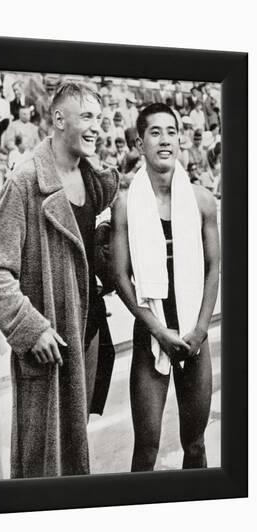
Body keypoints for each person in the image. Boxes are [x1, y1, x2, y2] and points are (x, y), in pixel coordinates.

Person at [0, 81, 119, 478]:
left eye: (101, 118)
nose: (98, 127)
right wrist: (30, 329)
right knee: (40, 458)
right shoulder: (25, 180)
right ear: (59, 119)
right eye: (88, 117)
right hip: (49, 341)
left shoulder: (97, 183)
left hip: (89, 331)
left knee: (75, 446)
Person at [111, 103, 220, 471]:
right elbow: (120, 274)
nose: (164, 140)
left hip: (194, 335)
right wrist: (158, 330)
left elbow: (212, 266)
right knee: (146, 449)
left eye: (171, 132)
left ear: (180, 139)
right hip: (151, 333)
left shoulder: (202, 201)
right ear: (140, 143)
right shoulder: (126, 204)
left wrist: (201, 329)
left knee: (196, 445)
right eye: (154, 132)